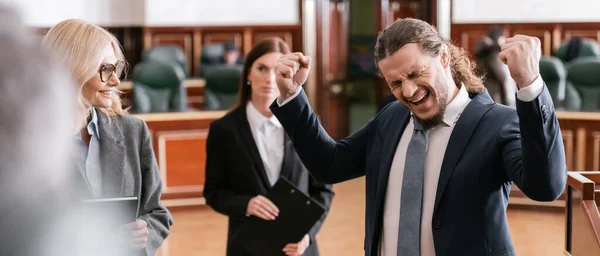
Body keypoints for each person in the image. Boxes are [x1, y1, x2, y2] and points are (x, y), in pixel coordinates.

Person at [271, 18, 566, 256]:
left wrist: (529, 85)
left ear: (445, 58)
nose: (409, 91)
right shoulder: (391, 118)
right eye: (396, 82)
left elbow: (546, 187)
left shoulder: (498, 123)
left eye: (415, 73)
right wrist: (292, 96)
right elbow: (329, 165)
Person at [42, 19, 174, 256]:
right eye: (104, 69)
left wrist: (144, 232)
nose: (115, 80)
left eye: (116, 68)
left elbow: (158, 213)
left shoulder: (133, 131)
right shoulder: (28, 142)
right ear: (72, 68)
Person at [204, 37, 334, 256]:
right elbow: (213, 193)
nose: (269, 78)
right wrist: (246, 204)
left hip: (298, 249)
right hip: (246, 248)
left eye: (277, 70)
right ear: (248, 74)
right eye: (261, 68)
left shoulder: (306, 124)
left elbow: (323, 190)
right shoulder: (224, 130)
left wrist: (308, 234)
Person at [474, 25, 517, 107]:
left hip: (499, 79)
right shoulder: (484, 44)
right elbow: (479, 52)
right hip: (490, 76)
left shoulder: (501, 46)